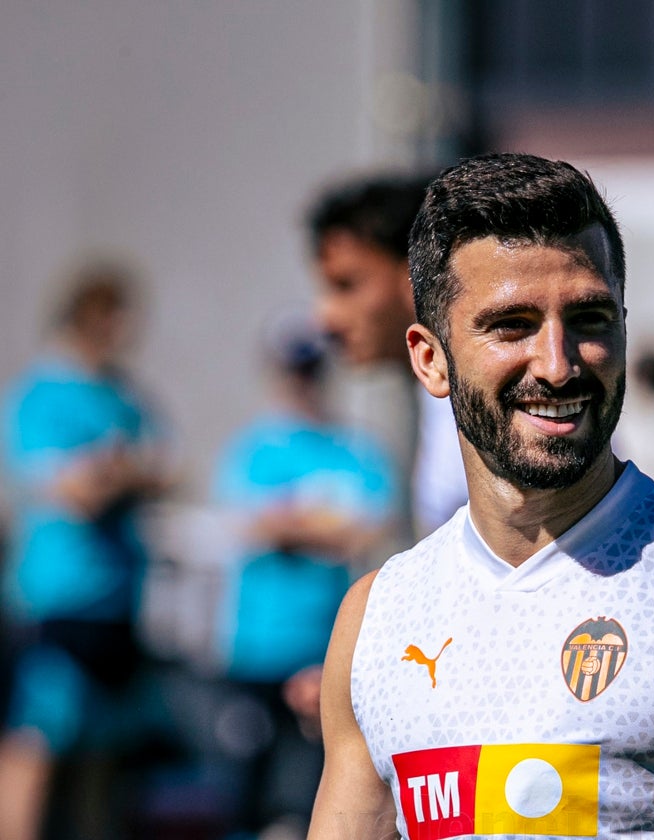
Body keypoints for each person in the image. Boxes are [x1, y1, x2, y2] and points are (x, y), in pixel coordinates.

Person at [307, 153, 654, 839]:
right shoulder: (378, 620)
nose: (557, 364)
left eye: (589, 319)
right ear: (430, 357)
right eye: (511, 325)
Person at [0, 260, 171, 840]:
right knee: (38, 741)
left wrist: (116, 474)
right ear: (92, 316)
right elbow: (72, 491)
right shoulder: (41, 394)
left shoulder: (123, 395)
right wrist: (116, 473)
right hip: (58, 600)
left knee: (105, 749)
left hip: (117, 601)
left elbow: (163, 472)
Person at [211, 314, 397, 837]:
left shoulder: (354, 449)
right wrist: (320, 524)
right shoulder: (254, 448)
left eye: (311, 370)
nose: (302, 382)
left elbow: (368, 530)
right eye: (294, 371)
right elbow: (254, 526)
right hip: (256, 649)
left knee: (316, 790)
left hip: (325, 648)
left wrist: (294, 524)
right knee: (245, 790)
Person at [306, 173, 468, 539]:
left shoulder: (484, 404)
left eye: (347, 285)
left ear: (416, 273)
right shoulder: (434, 400)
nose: (325, 317)